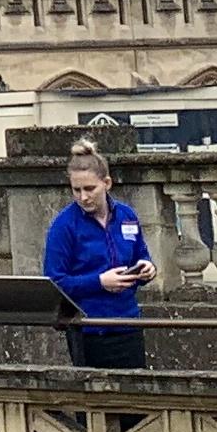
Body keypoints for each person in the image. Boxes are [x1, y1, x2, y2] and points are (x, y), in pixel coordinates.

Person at [38, 135, 156, 368]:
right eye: (76, 190)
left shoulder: (127, 216)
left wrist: (147, 268)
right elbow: (54, 282)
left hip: (128, 324)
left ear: (107, 183)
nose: (83, 197)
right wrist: (99, 282)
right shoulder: (64, 226)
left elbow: (141, 253)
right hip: (88, 329)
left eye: (90, 188)